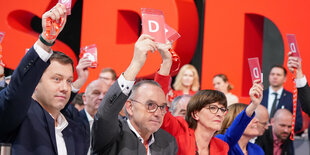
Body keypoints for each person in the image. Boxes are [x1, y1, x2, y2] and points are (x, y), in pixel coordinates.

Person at [0, 4, 91, 155]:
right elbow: (16, 93)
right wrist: (46, 40)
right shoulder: (20, 117)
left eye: (69, 81)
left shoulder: (77, 129)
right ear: (35, 83)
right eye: (56, 79)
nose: (65, 87)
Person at [91, 34, 178, 154]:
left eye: (162, 107)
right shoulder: (112, 135)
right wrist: (136, 63)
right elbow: (105, 114)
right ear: (130, 107)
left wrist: (167, 62)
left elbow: (157, 94)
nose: (158, 113)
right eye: (150, 105)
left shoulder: (168, 142)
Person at [260, 64, 303, 132]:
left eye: (278, 75)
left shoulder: (292, 98)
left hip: (283, 139)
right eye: (272, 74)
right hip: (260, 137)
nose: (275, 77)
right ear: (268, 77)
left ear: (285, 79)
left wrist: (279, 128)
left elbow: (298, 124)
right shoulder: (260, 95)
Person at [80, 80, 109, 155]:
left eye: (106, 94)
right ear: (84, 99)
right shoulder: (73, 121)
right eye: (96, 93)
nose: (102, 97)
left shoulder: (115, 124)